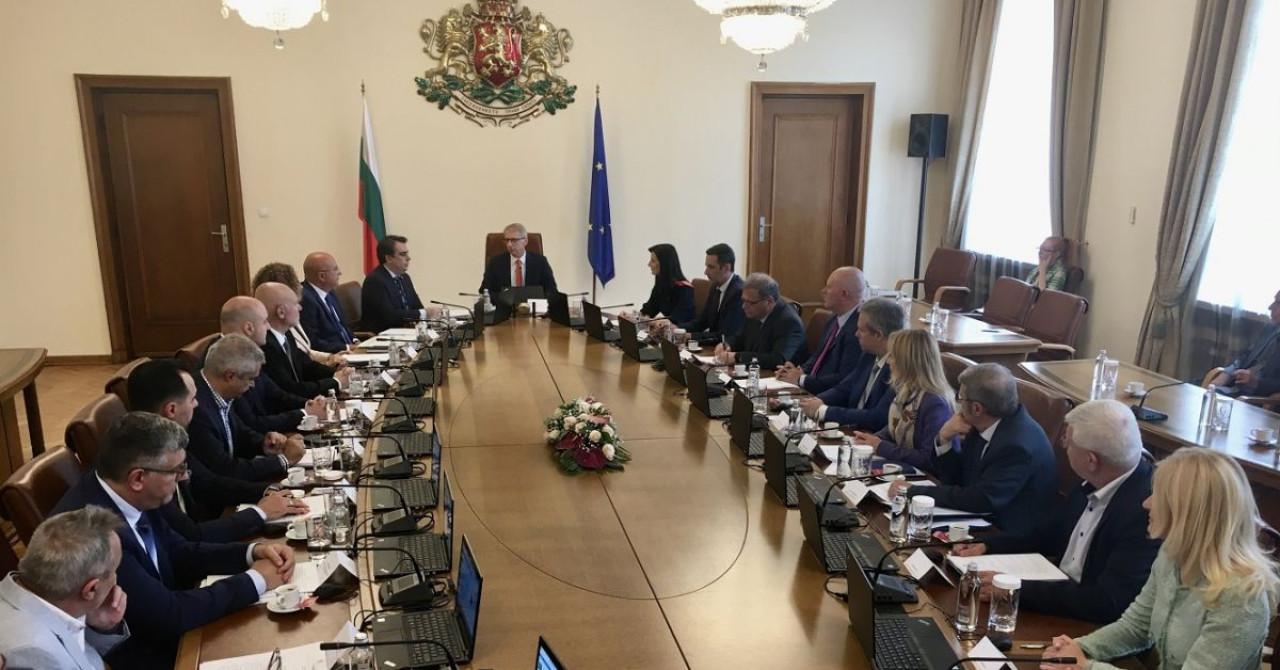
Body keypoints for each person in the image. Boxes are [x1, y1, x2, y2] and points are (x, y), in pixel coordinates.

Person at [51, 412, 295, 668]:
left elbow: (179, 551)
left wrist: (252, 552)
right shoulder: (96, 534)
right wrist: (256, 580)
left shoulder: (130, 492)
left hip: (176, 631)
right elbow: (169, 614)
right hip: (154, 656)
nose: (183, 476)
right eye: (175, 470)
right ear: (138, 478)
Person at [1040, 448, 1279, 670]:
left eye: (1157, 495)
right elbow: (1135, 627)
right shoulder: (1171, 555)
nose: (1146, 503)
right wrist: (1078, 648)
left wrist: (1087, 666)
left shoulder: (1242, 598)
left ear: (1186, 512)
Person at [951, 400, 1160, 623]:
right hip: (1056, 594)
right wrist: (989, 545)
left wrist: (1014, 589)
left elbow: (1108, 601)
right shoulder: (1097, 478)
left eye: (1067, 443)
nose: (1064, 447)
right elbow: (1050, 533)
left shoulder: (1145, 511)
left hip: (1082, 622)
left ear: (1091, 460)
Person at [127, 358, 307, 539]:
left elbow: (209, 482)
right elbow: (192, 535)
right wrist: (260, 513)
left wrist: (269, 490)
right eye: (192, 399)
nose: (197, 404)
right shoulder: (149, 465)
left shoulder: (167, 438)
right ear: (171, 410)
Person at [889, 363, 1057, 535]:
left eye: (960, 398)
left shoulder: (1016, 446)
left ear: (977, 408)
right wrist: (944, 438)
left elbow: (981, 499)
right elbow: (959, 479)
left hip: (1005, 533)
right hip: (981, 517)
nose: (958, 404)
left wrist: (913, 491)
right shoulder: (985, 423)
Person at [0, 507, 129, 669]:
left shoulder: (52, 600)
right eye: (115, 570)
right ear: (91, 589)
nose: (115, 578)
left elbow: (82, 657)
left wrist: (103, 627)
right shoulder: (35, 653)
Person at [188, 333, 304, 482]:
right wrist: (284, 460)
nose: (252, 385)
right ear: (230, 376)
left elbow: (239, 432)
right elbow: (225, 469)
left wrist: (263, 443)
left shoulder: (218, 391)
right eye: (251, 379)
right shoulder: (197, 408)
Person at [850, 329, 955, 475]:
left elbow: (927, 459)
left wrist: (881, 446)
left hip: (924, 478)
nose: (888, 361)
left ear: (908, 362)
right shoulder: (907, 388)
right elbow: (895, 427)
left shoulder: (935, 404)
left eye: (893, 356)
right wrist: (873, 439)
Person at [217, 296, 325, 434]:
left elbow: (275, 394)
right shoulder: (224, 362)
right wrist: (305, 413)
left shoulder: (248, 351)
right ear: (249, 328)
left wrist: (309, 404)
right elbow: (252, 423)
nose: (268, 327)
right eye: (264, 322)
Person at [799, 297, 905, 431]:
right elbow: (846, 387)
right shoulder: (869, 354)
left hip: (870, 436)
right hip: (851, 429)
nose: (856, 334)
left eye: (861, 330)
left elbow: (878, 418)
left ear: (878, 335)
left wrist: (824, 411)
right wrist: (817, 401)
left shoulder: (900, 368)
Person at [775, 267, 866, 393]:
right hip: (813, 387)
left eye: (828, 287)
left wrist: (801, 379)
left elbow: (843, 378)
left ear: (844, 294)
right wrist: (799, 370)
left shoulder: (859, 330)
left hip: (828, 395)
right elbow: (818, 356)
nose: (823, 291)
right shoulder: (833, 318)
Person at [256, 281, 348, 398]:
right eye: (296, 304)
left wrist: (336, 372)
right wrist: (336, 382)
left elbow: (306, 365)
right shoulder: (266, 346)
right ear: (281, 312)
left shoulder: (286, 334)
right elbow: (292, 389)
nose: (300, 308)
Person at [253, 263, 343, 365]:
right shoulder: (271, 336)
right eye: (295, 282)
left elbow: (303, 353)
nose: (300, 286)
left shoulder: (288, 324)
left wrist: (329, 357)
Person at [713, 273, 804, 369]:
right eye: (743, 300)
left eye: (750, 302)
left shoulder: (789, 322)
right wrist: (727, 344)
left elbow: (777, 360)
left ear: (769, 301)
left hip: (777, 376)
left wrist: (737, 357)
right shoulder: (755, 312)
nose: (744, 306)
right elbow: (740, 338)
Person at [1209, 289, 1280, 398]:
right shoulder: (1271, 328)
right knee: (1189, 388)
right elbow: (1246, 355)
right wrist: (1227, 373)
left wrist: (1256, 383)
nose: (1270, 307)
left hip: (1256, 399)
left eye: (1278, 303)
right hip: (1232, 387)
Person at [679, 243, 745, 343]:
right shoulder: (715, 286)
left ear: (726, 268)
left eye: (711, 267)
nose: (705, 272)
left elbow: (726, 335)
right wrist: (677, 328)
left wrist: (692, 336)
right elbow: (702, 321)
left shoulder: (739, 293)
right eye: (706, 266)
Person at [361, 235, 426, 332]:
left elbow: (417, 306)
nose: (408, 258)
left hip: (406, 332)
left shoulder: (405, 278)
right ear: (388, 258)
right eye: (403, 254)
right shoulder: (375, 281)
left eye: (407, 254)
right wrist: (423, 313)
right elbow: (389, 316)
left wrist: (427, 316)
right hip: (384, 335)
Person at [299, 251, 359, 354]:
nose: (340, 272)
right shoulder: (305, 300)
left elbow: (343, 325)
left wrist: (356, 341)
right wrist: (347, 347)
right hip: (333, 356)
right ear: (322, 276)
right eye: (335, 269)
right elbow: (313, 342)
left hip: (349, 350)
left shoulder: (330, 292)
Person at [480, 223, 558, 298]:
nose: (509, 244)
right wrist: (503, 298)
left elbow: (551, 291)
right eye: (507, 240)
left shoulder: (540, 262)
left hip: (532, 306)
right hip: (504, 306)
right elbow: (484, 291)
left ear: (525, 241)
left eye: (514, 240)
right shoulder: (495, 263)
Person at [640, 243, 695, 324]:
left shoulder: (684, 289)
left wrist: (657, 322)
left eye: (653, 261)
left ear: (664, 263)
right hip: (666, 330)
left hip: (681, 330)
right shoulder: (661, 283)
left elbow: (678, 319)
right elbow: (650, 309)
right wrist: (636, 316)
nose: (649, 264)